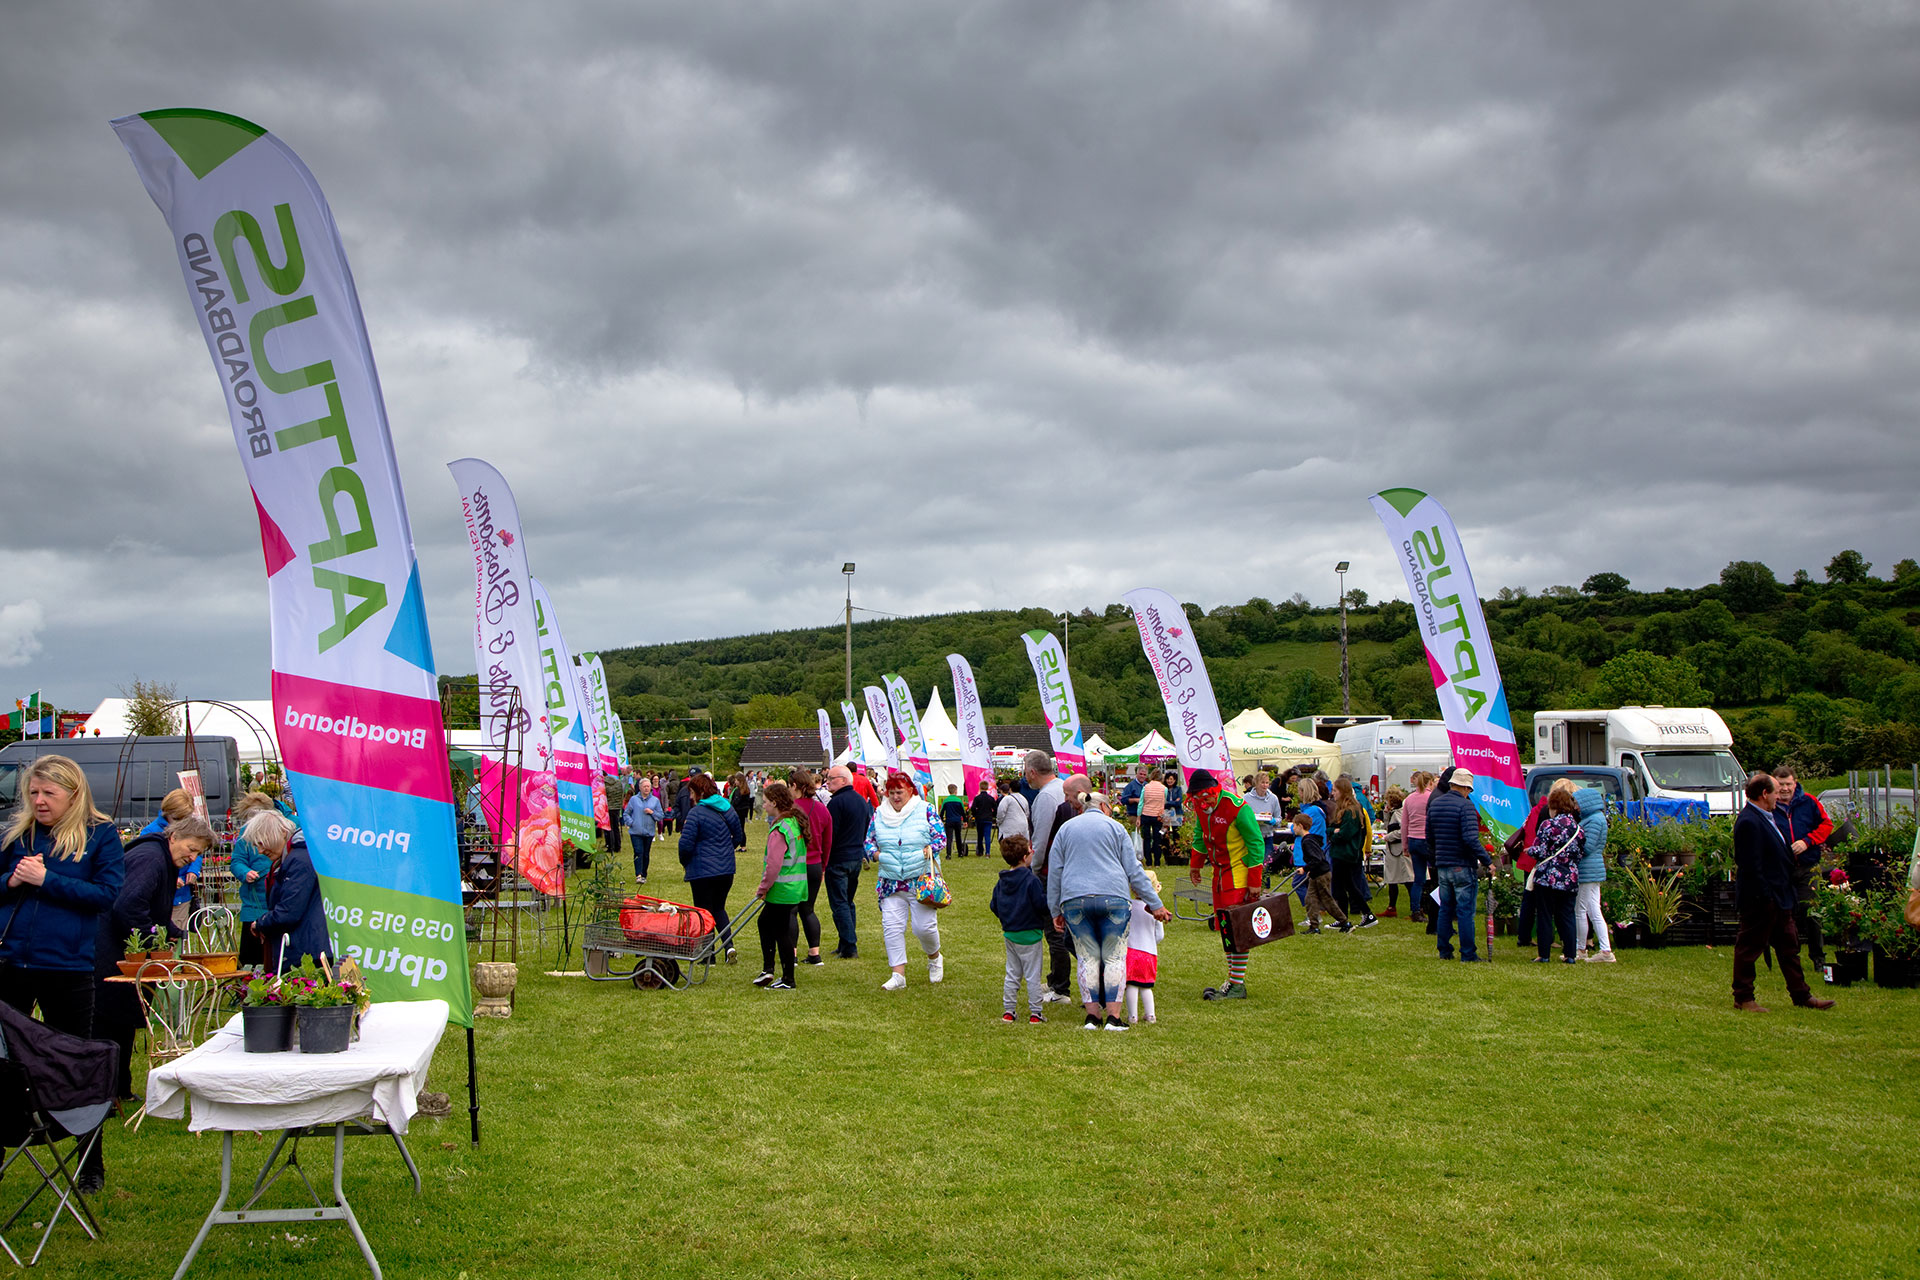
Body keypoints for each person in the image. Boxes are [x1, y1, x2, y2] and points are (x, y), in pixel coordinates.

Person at [0, 756, 125, 1193]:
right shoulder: (17, 835)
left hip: (67, 967)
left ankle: (90, 1162)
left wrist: (45, 879)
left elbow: (107, 896)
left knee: (78, 1063)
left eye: (48, 794)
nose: (38, 801)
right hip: (12, 962)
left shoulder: (100, 835)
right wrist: (11, 883)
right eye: (32, 793)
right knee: (3, 1060)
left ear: (73, 794)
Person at [98, 814, 214, 1101]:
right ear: (173, 837)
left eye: (198, 853)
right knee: (109, 1025)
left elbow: (146, 906)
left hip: (121, 951)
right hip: (112, 952)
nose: (192, 856)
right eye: (191, 848)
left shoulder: (160, 857)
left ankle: (118, 1089)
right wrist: (154, 939)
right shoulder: (151, 858)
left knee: (121, 1023)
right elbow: (128, 904)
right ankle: (103, 1092)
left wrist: (170, 929)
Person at [1048, 793, 1170, 1030]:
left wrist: (1055, 909)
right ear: (1104, 806)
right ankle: (1114, 1018)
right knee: (1114, 957)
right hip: (1114, 897)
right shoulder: (1115, 828)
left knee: (1086, 957)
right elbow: (1135, 871)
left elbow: (1055, 872)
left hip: (1075, 899)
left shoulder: (1066, 829)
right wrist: (1155, 904)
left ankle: (1092, 1017)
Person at [1732, 773, 1834, 1012]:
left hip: (1780, 897)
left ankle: (1801, 995)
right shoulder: (1749, 821)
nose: (1780, 795)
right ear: (1764, 794)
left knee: (1789, 947)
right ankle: (1743, 997)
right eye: (1776, 791)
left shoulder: (1765, 817)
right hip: (1762, 899)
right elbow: (1750, 865)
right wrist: (1765, 896)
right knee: (1749, 948)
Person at [1185, 770, 1267, 1000]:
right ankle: (1233, 980)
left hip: (1238, 876)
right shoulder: (1202, 808)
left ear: (1214, 791)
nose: (1202, 804)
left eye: (1205, 799)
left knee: (1237, 929)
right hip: (1220, 876)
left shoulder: (1237, 807)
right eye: (1197, 800)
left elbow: (1256, 843)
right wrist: (1195, 865)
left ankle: (1237, 984)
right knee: (1225, 928)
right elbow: (1200, 835)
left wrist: (1254, 881)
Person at [864, 772, 946, 991]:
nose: (895, 797)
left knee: (924, 928)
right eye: (891, 793)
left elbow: (940, 837)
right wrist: (876, 855)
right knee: (892, 927)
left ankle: (934, 957)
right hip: (890, 881)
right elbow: (869, 840)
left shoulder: (926, 810)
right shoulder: (879, 814)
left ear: (911, 791)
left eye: (899, 792)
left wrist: (930, 849)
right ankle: (898, 975)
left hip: (919, 878)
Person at [244, 810, 330, 972]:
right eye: (257, 845)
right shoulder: (294, 858)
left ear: (282, 833)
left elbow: (289, 910)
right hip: (307, 944)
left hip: (306, 949)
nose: (260, 851)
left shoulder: (298, 859)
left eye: (262, 843)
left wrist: (261, 923)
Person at [1022, 752, 1075, 1004]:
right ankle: (1057, 979)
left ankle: (1060, 988)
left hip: (1050, 872)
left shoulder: (1045, 797)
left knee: (1055, 929)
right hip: (1069, 868)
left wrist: (1034, 869)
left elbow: (1041, 840)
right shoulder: (1062, 787)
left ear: (1032, 772)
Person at [678, 773, 746, 964]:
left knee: (704, 912)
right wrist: (725, 851)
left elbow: (686, 844)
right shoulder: (727, 808)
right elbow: (738, 835)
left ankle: (708, 954)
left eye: (692, 793)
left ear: (699, 792)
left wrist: (685, 862)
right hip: (726, 870)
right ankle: (729, 945)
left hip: (702, 870)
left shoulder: (696, 813)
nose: (691, 797)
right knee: (719, 908)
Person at [1771, 768, 1833, 970]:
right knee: (1785, 912)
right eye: (1781, 784)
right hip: (1782, 868)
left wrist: (1808, 841)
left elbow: (1826, 825)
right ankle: (1789, 956)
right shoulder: (1770, 806)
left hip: (1807, 866)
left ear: (1795, 783)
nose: (1785, 788)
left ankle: (1818, 957)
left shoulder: (1809, 802)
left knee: (1811, 910)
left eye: (1788, 784)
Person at [750, 782, 809, 991]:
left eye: (765, 802)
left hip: (782, 889)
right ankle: (769, 969)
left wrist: (763, 887)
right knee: (765, 922)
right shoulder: (793, 822)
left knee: (781, 931)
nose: (763, 805)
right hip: (793, 887)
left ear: (775, 803)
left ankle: (787, 978)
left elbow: (774, 864)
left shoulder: (779, 829)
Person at [1428, 768, 1491, 962]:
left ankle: (1444, 950)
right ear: (1465, 787)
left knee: (1445, 908)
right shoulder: (1466, 807)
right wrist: (1487, 860)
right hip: (1462, 864)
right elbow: (1471, 839)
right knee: (1465, 911)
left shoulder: (1435, 804)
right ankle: (1468, 953)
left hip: (1443, 864)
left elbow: (1429, 837)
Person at [988, 834, 1049, 1024]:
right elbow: (1040, 904)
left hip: (1011, 933)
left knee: (1012, 973)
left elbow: (994, 905)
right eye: (1030, 852)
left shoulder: (1002, 881)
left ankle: (1009, 1010)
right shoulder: (1031, 881)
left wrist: (1007, 918)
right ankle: (1035, 1012)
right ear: (1025, 857)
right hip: (1030, 933)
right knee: (1032, 975)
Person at [1523, 787, 1583, 963]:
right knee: (1567, 916)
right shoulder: (1577, 828)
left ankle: (1544, 954)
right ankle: (1570, 954)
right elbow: (1580, 853)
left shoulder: (1548, 825)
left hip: (1548, 877)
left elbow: (1541, 850)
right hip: (1569, 877)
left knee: (1545, 915)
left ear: (1553, 806)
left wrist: (1529, 850)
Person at [823, 765, 872, 959]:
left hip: (838, 858)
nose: (827, 781)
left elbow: (830, 834)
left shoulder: (836, 803)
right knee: (848, 901)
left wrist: (824, 858)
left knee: (840, 903)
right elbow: (866, 826)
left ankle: (849, 945)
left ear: (843, 780)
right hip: (855, 857)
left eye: (831, 778)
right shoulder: (861, 801)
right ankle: (845, 942)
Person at [785, 768, 832, 966]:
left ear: (795, 786)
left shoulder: (789, 810)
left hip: (794, 865)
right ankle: (815, 953)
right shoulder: (822, 809)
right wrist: (822, 867)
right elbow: (828, 842)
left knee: (791, 911)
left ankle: (792, 954)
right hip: (814, 865)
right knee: (808, 909)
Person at [227, 791, 279, 968]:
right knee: (252, 955)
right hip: (253, 903)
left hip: (274, 902)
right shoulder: (244, 836)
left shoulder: (278, 831)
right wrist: (245, 872)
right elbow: (237, 861)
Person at [1570, 786, 1614, 962]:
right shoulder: (1595, 818)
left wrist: (1572, 846)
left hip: (1588, 869)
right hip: (1593, 869)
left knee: (1580, 910)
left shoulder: (1594, 821)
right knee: (1594, 910)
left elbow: (1587, 847)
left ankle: (1581, 949)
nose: (1576, 807)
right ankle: (1604, 949)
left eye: (1577, 803)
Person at [1328, 778, 1378, 927]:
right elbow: (1331, 828)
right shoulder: (1344, 809)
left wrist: (1335, 834)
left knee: (1343, 886)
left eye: (1335, 790)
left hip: (1345, 853)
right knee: (1346, 885)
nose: (1333, 793)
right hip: (1343, 853)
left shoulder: (1351, 811)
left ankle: (1347, 917)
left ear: (1342, 792)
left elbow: (1344, 834)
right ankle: (1354, 916)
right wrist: (1333, 831)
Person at [1292, 810, 1349, 933]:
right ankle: (1314, 926)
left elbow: (1316, 859)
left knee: (1327, 900)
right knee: (1310, 899)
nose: (1293, 828)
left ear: (1300, 826)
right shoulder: (1309, 839)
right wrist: (1310, 870)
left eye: (1294, 825)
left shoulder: (1307, 841)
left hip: (1321, 874)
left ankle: (1344, 922)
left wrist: (1305, 868)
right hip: (1316, 873)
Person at [1125, 868, 1166, 1025]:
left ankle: (1132, 1016)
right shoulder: (1156, 909)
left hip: (1131, 950)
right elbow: (1160, 935)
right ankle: (1150, 1015)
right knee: (1146, 986)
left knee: (1131, 985)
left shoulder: (1129, 906)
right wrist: (1151, 941)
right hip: (1149, 953)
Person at [1401, 772, 1434, 923]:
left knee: (1418, 879)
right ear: (1430, 782)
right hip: (1427, 839)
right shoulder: (1432, 798)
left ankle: (1416, 910)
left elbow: (1405, 824)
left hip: (1413, 839)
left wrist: (1405, 845)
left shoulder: (1409, 799)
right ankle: (1434, 907)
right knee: (1437, 877)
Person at [624, 779, 667, 884]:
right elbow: (626, 813)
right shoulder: (634, 800)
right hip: (636, 832)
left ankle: (644, 874)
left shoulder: (655, 800)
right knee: (638, 852)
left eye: (648, 786)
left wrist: (652, 812)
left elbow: (660, 815)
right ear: (640, 787)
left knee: (646, 854)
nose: (647, 788)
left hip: (649, 832)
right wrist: (631, 822)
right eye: (644, 786)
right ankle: (638, 875)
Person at [1379, 787, 1413, 917]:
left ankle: (1414, 908)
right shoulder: (1394, 812)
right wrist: (1386, 814)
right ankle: (1391, 907)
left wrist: (1389, 837)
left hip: (1399, 851)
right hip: (1394, 851)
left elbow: (1402, 831)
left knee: (1407, 880)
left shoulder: (1400, 814)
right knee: (1392, 879)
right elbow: (1388, 826)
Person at [1244, 773, 1283, 888]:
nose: (1265, 785)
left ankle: (1265, 890)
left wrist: (1273, 821)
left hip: (1267, 836)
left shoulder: (1273, 798)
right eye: (1262, 783)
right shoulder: (1246, 798)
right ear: (1256, 783)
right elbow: (1241, 816)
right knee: (1252, 863)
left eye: (1267, 783)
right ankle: (1250, 887)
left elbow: (1279, 819)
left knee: (1266, 863)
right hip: (1252, 836)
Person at [1138, 771, 1168, 868]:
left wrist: (1139, 816)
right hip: (1158, 816)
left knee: (1146, 839)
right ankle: (1157, 862)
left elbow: (1141, 803)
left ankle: (1148, 861)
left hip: (1146, 814)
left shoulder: (1145, 787)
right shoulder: (1164, 789)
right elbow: (1164, 801)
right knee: (1157, 839)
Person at [995, 779, 1030, 847]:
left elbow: (1001, 811)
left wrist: (999, 821)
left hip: (1009, 826)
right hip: (1023, 825)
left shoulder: (1007, 799)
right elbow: (1027, 813)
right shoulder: (1024, 799)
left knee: (1009, 845)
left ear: (1010, 788)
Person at [970, 782, 997, 859]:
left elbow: (973, 808)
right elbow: (995, 808)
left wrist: (975, 814)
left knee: (980, 836)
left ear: (980, 787)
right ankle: (988, 852)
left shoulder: (977, 798)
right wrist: (993, 815)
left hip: (979, 819)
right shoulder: (991, 798)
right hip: (988, 818)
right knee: (987, 836)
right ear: (987, 787)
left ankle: (980, 851)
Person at [939, 785, 968, 857]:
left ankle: (948, 854)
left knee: (949, 838)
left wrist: (941, 820)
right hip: (957, 821)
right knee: (958, 837)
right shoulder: (959, 800)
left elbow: (942, 812)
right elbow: (963, 812)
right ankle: (960, 853)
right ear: (956, 791)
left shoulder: (946, 801)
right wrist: (965, 821)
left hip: (949, 821)